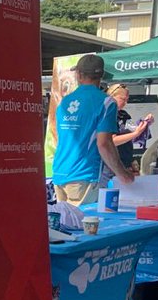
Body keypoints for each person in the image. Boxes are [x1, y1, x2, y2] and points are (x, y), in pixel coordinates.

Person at [53, 54, 134, 204]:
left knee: (62, 225)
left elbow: (61, 138)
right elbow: (104, 143)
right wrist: (122, 174)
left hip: (59, 172)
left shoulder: (64, 102)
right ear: (101, 75)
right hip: (84, 176)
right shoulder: (106, 103)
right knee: (84, 225)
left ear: (78, 74)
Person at [105, 83, 152, 173]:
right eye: (122, 99)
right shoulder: (106, 115)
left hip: (125, 164)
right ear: (111, 97)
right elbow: (112, 141)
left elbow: (134, 132)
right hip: (109, 166)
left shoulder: (124, 115)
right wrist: (135, 133)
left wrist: (145, 123)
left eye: (127, 100)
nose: (125, 103)